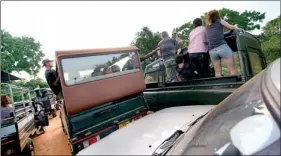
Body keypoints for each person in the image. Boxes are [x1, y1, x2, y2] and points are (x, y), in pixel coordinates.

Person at [205, 10, 238, 77]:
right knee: (232, 70)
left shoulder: (207, 27)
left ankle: (219, 87)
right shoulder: (220, 21)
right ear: (218, 15)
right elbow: (231, 28)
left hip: (212, 51)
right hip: (222, 47)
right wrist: (236, 27)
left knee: (217, 72)